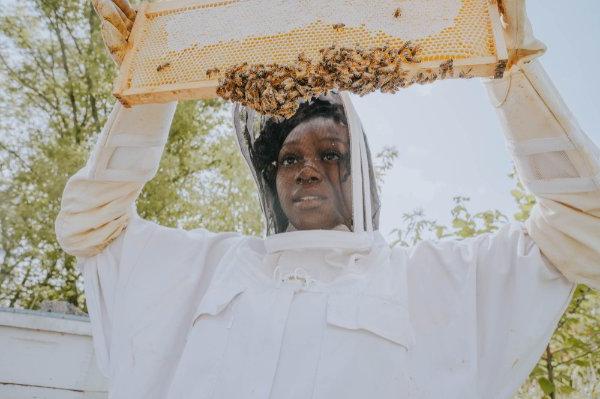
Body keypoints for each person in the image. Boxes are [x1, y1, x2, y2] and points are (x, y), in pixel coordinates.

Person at [56, 0, 600, 398]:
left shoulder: (426, 280)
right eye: (290, 158)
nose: (307, 169)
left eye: (330, 153)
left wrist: (514, 72)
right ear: (273, 180)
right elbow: (89, 227)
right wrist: (150, 83)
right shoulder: (207, 267)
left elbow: (584, 227)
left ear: (359, 171)